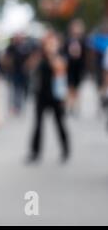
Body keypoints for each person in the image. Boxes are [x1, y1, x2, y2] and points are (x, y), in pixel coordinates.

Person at [27, 30, 70, 164]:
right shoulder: (40, 57)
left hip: (56, 96)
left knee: (59, 124)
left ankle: (65, 150)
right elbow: (29, 67)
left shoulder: (60, 57)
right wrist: (37, 57)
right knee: (38, 124)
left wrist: (52, 55)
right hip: (41, 94)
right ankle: (35, 152)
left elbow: (60, 71)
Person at [64, 18, 86, 114]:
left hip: (79, 67)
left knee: (77, 88)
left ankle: (75, 105)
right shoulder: (68, 40)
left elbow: (85, 56)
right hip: (69, 67)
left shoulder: (83, 41)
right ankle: (70, 105)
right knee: (70, 87)